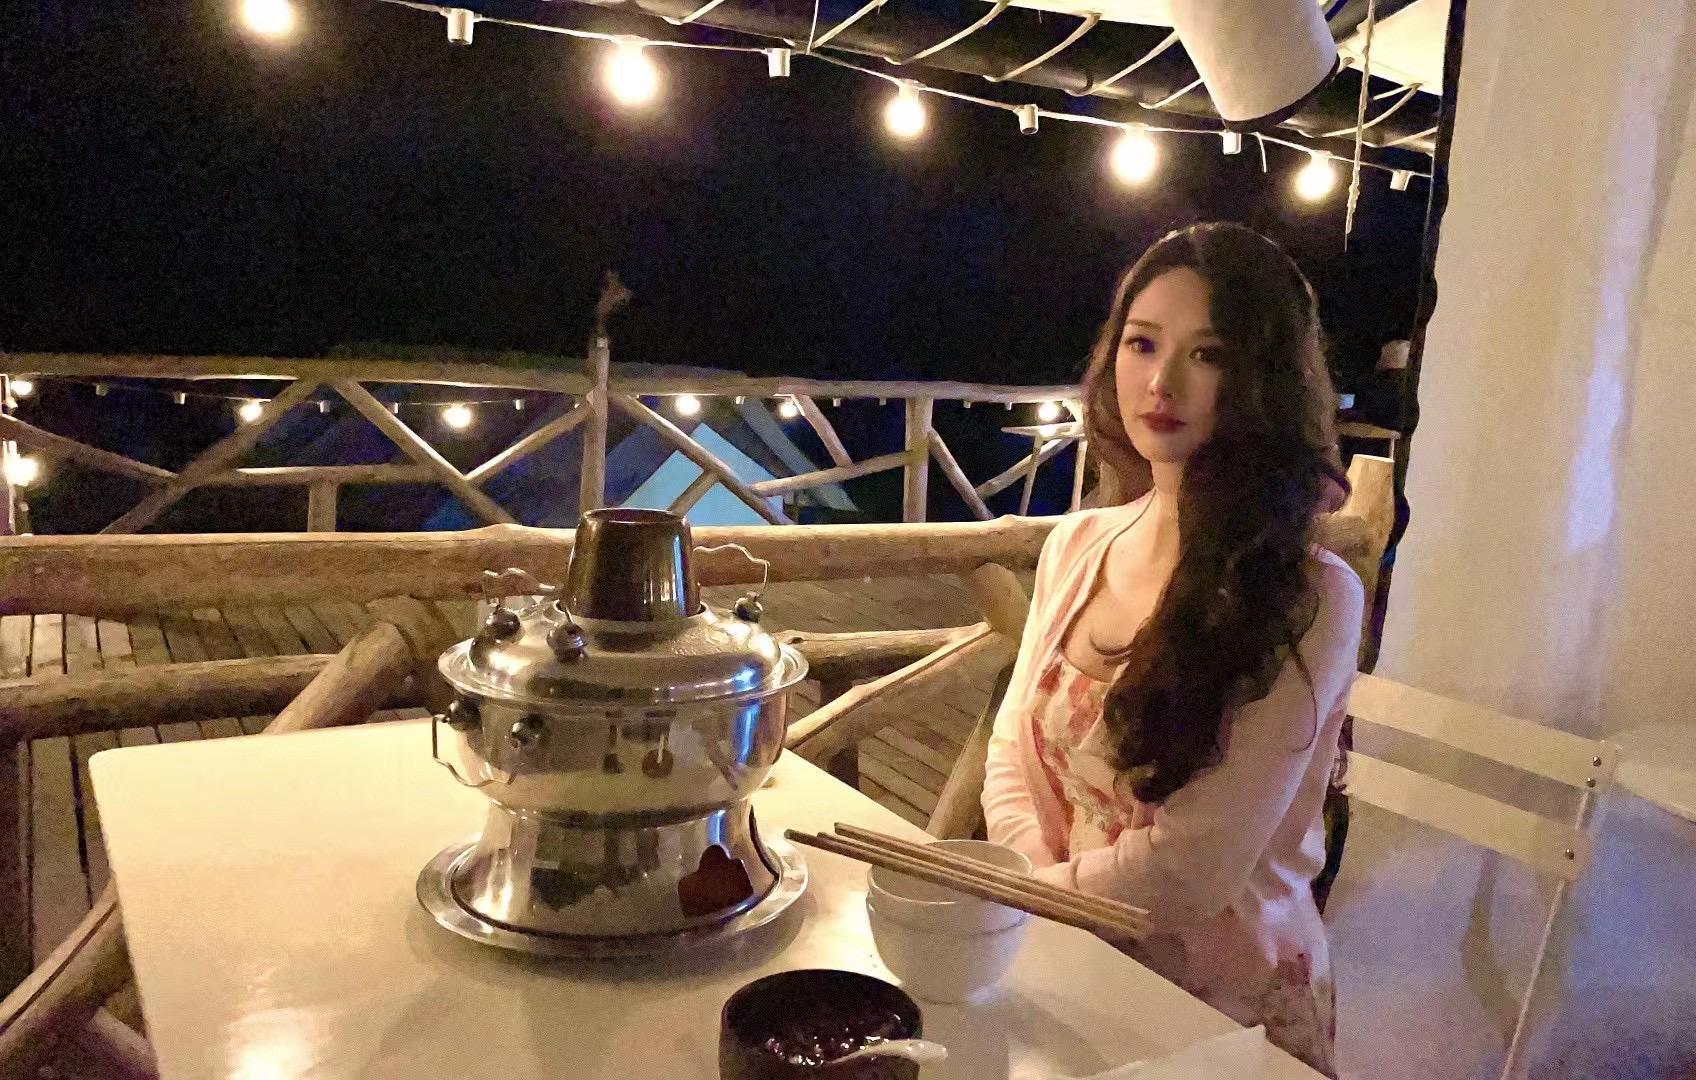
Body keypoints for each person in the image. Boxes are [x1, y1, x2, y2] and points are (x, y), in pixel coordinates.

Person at [982, 223, 1363, 1076]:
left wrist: (1027, 897)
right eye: (1142, 343)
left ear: (1264, 378)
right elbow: (1009, 751)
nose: (1161, 382)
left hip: (1219, 1012)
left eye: (1209, 354)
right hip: (1066, 961)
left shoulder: (1308, 595)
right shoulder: (1077, 545)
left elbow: (1192, 873)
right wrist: (1032, 883)